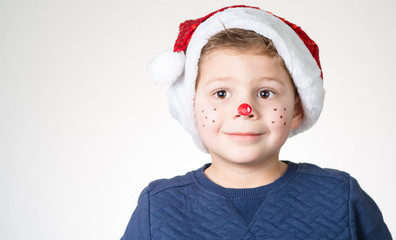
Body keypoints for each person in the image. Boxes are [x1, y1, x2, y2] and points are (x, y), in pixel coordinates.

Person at [121, 5, 392, 239]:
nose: (245, 109)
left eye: (265, 93)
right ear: (190, 107)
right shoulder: (158, 207)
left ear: (297, 108)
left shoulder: (341, 197)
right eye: (221, 93)